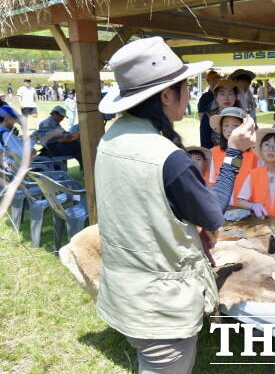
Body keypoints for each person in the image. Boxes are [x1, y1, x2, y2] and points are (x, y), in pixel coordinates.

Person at [95, 36, 255, 374]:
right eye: (183, 87)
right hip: (160, 302)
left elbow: (148, 204)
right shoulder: (168, 157)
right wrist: (234, 153)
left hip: (126, 288)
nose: (191, 94)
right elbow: (212, 213)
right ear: (167, 95)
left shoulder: (112, 136)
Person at [236, 128, 275, 221]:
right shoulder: (253, 175)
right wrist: (254, 205)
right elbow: (241, 201)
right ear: (261, 149)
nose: (271, 148)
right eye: (266, 144)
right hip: (259, 225)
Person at [208, 107, 259, 204]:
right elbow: (212, 181)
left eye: (235, 125)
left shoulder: (255, 154)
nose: (230, 130)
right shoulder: (215, 152)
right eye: (225, 125)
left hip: (247, 206)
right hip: (222, 204)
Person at [200, 79, 241, 149]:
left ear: (236, 97)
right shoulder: (208, 116)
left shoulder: (242, 115)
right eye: (222, 94)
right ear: (216, 97)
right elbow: (205, 144)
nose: (226, 98)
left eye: (230, 94)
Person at [198, 70, 222, 148]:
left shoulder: (223, 95)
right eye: (214, 79)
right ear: (208, 81)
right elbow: (201, 116)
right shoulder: (205, 97)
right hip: (210, 129)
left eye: (218, 78)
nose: (217, 80)